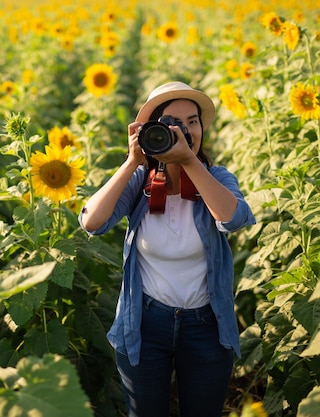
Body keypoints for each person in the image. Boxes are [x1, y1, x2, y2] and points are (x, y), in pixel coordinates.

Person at [78, 81, 256, 417]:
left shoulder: (216, 177)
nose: (184, 130)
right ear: (153, 130)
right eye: (172, 122)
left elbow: (232, 218)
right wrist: (132, 161)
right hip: (145, 324)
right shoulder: (141, 183)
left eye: (192, 121)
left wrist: (189, 162)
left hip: (206, 326)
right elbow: (91, 222)